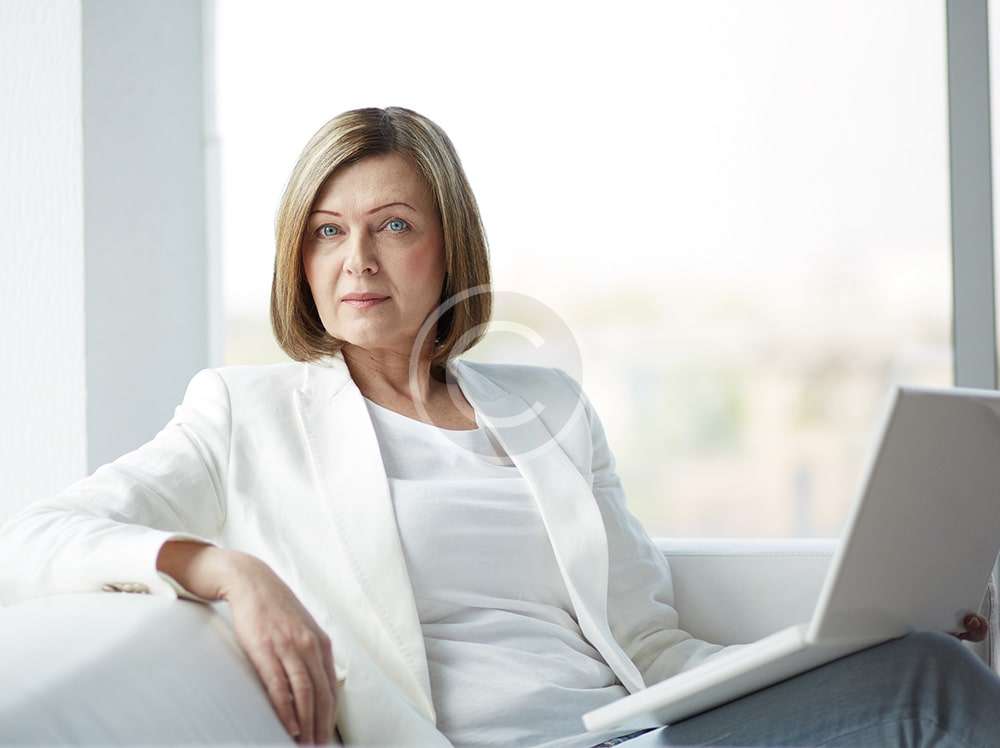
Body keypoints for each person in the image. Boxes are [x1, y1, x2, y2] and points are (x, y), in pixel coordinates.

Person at [0, 106, 997, 748]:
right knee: (932, 689)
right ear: (298, 257)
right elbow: (31, 539)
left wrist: (845, 641)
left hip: (633, 733)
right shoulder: (243, 412)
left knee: (923, 664)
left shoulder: (547, 406)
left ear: (450, 246)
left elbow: (652, 643)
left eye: (393, 224)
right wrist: (228, 570)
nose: (357, 260)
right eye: (328, 231)